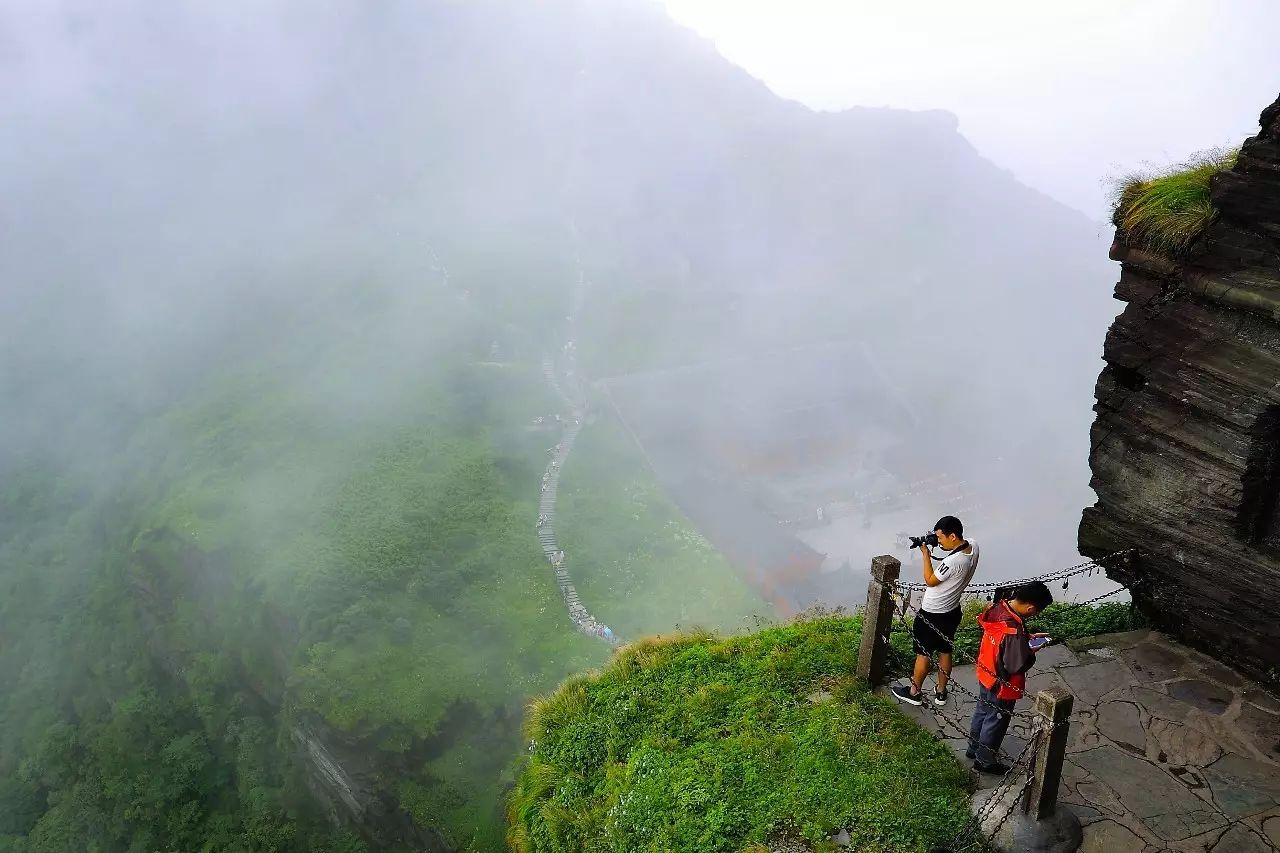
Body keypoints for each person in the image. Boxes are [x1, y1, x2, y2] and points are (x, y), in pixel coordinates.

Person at [967, 581, 1054, 774]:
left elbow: (1003, 641)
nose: (1034, 614)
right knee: (995, 720)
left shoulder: (998, 608)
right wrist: (1031, 649)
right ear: (1031, 607)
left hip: (986, 671)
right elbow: (1017, 664)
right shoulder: (1013, 630)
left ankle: (973, 749)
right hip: (1001, 682)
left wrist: (1025, 638)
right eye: (1036, 611)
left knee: (981, 712)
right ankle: (985, 761)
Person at [892, 516, 979, 708]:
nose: (938, 542)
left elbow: (930, 580)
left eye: (940, 538)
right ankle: (941, 692)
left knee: (923, 653)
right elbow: (959, 544)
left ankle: (914, 693)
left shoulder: (955, 561)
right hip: (952, 610)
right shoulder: (973, 546)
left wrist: (925, 553)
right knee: (945, 650)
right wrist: (933, 538)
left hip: (932, 614)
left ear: (953, 536)